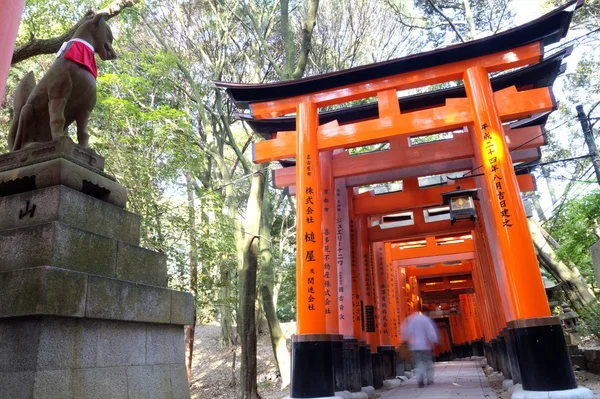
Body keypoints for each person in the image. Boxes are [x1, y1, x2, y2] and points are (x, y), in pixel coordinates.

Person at [401, 306, 440, 388]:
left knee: (418, 363)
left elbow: (408, 332)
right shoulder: (426, 320)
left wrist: (406, 341)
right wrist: (433, 341)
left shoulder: (412, 320)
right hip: (426, 346)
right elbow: (431, 332)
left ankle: (420, 380)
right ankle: (429, 379)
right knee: (428, 362)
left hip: (415, 346)